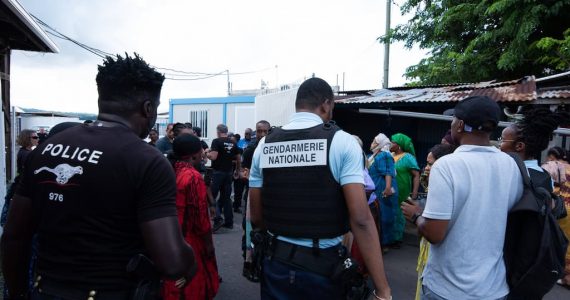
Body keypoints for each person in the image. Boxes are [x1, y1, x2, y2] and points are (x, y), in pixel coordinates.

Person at [1, 53, 196, 299]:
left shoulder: (46, 149)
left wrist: (18, 293)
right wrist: (189, 258)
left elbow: (14, 235)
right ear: (148, 108)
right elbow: (172, 263)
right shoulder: (148, 161)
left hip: (46, 290)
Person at [249, 77, 391, 299]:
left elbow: (256, 217)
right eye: (332, 107)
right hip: (322, 268)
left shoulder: (264, 145)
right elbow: (361, 220)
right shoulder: (342, 142)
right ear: (326, 104)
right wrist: (383, 290)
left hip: (275, 263)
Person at [401, 95, 524, 299]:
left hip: (448, 289)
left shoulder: (447, 165)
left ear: (459, 125)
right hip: (494, 289)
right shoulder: (511, 165)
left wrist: (416, 215)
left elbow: (434, 233)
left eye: (452, 120)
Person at [499, 108, 570, 289]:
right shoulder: (544, 177)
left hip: (506, 254)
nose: (499, 145)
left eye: (502, 140)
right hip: (529, 259)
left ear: (519, 147)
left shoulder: (509, 174)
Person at [163, 134, 220, 300]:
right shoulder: (193, 177)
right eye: (201, 152)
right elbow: (201, 221)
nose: (203, 155)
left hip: (171, 240)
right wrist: (209, 246)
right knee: (193, 288)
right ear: (194, 155)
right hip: (190, 243)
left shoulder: (171, 170)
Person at [407, 143, 455, 300]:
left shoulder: (446, 188)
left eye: (431, 164)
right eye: (427, 164)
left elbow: (434, 229)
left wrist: (416, 216)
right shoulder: (431, 184)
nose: (426, 168)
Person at [241, 120, 270, 282]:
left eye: (265, 131)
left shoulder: (272, 148)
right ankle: (249, 264)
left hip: (269, 196)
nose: (262, 135)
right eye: (259, 131)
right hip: (252, 194)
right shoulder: (251, 149)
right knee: (250, 230)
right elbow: (244, 173)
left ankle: (262, 263)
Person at [206, 124, 241, 231]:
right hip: (228, 172)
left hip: (218, 173)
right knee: (226, 197)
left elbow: (214, 157)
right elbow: (238, 157)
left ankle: (217, 218)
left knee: (211, 196)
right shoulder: (233, 142)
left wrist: (207, 152)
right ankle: (229, 222)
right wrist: (237, 170)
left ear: (218, 131)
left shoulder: (216, 141)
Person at [367, 133, 398, 248]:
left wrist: (388, 188)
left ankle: (385, 243)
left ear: (380, 144)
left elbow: (388, 172)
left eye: (375, 141)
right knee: (379, 215)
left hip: (383, 190)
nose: (372, 143)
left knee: (385, 216)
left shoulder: (384, 155)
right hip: (377, 189)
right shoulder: (374, 155)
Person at [390, 132, 420, 247]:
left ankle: (397, 238)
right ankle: (390, 236)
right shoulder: (389, 155)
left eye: (393, 142)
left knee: (399, 213)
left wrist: (415, 193)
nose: (390, 144)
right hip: (390, 189)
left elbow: (416, 175)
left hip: (402, 190)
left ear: (399, 145)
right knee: (390, 212)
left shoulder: (408, 157)